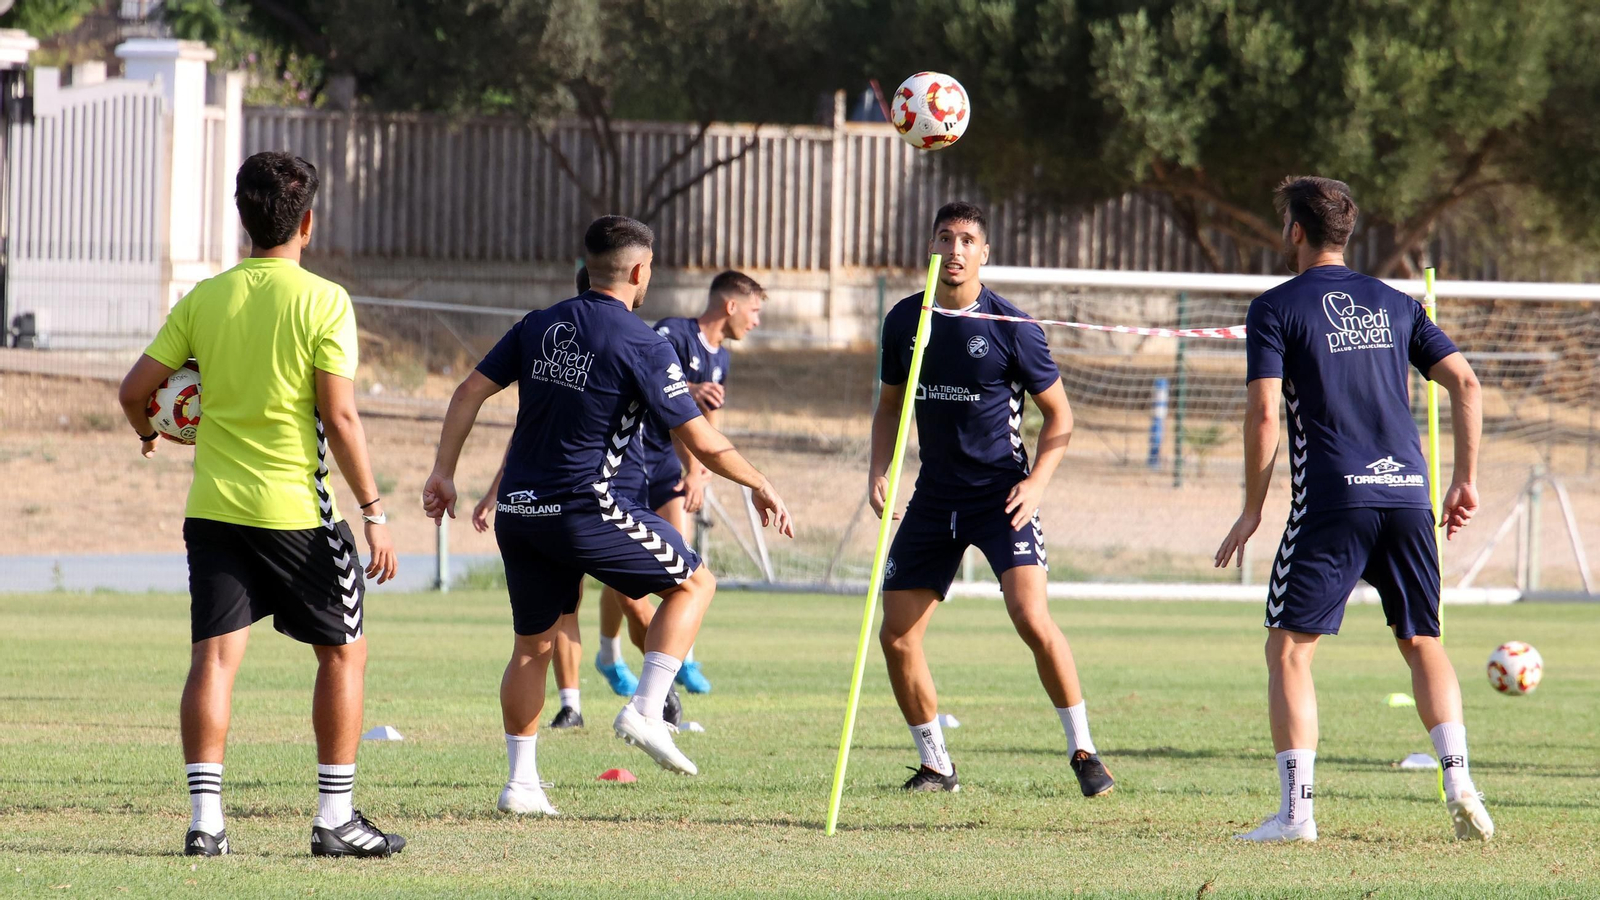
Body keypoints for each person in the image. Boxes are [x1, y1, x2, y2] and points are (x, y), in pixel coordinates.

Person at [423, 215, 792, 816]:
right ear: (640, 271)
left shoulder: (538, 325)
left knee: (531, 648)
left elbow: (468, 391)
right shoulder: (644, 343)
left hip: (520, 512)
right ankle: (647, 709)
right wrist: (760, 482)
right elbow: (699, 439)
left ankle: (521, 785)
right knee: (696, 581)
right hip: (584, 509)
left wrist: (443, 473)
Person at [116, 152, 403, 858]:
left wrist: (151, 432)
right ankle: (335, 820)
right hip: (296, 516)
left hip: (213, 510)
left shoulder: (205, 298)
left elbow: (133, 392)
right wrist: (374, 510)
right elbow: (339, 417)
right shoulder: (324, 300)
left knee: (213, 661)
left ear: (243, 222)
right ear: (307, 222)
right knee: (343, 655)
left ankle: (206, 824)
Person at [1214, 176, 1491, 843]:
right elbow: (1466, 382)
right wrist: (1465, 480)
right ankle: (1460, 784)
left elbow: (1262, 412)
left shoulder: (1276, 307)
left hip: (1334, 499)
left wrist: (1252, 508)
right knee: (1423, 641)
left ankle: (1296, 814)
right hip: (1407, 494)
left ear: (1296, 231)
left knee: (1288, 649)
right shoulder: (1395, 303)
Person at [869, 201, 1115, 797]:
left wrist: (1036, 485)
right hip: (934, 499)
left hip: (1003, 497)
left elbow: (1060, 419)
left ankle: (1083, 751)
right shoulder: (906, 320)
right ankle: (936, 765)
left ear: (984, 253)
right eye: (945, 238)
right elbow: (890, 407)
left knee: (1031, 619)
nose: (955, 249)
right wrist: (880, 469)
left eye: (967, 240)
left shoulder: (1013, 326)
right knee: (895, 635)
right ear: (931, 247)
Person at [552, 270, 766, 726]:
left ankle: (666, 660)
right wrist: (689, 391)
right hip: (629, 461)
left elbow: (703, 424)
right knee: (632, 579)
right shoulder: (671, 333)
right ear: (731, 305)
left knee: (680, 567)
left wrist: (698, 473)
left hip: (670, 467)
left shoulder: (721, 357)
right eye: (755, 310)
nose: (757, 321)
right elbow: (648, 382)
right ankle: (634, 665)